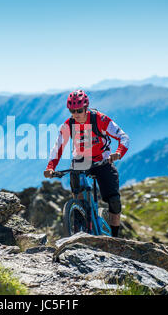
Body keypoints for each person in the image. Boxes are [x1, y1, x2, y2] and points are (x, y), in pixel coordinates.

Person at [43, 89, 130, 237]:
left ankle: (115, 238)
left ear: (86, 108)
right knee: (78, 195)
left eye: (79, 110)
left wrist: (118, 153)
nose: (76, 114)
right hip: (81, 161)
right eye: (72, 111)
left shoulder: (99, 119)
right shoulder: (68, 125)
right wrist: (50, 167)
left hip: (102, 161)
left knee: (114, 200)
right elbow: (57, 148)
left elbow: (124, 137)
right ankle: (79, 230)